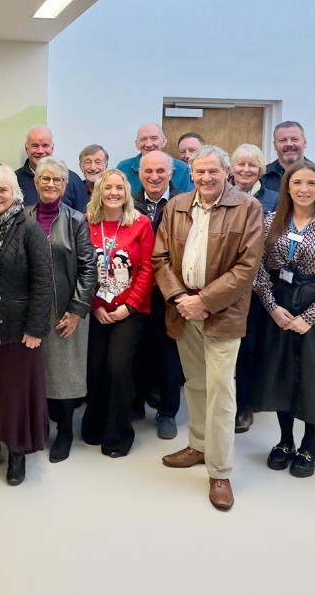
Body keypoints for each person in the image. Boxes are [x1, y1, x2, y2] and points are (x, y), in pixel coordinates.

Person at [153, 145, 264, 511]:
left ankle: (220, 470)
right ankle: (198, 446)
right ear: (190, 172)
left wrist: (205, 301)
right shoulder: (177, 206)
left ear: (226, 171)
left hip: (223, 312)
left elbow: (247, 268)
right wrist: (181, 299)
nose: (206, 178)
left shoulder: (247, 208)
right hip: (184, 309)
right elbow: (161, 257)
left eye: (213, 171)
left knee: (220, 390)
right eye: (199, 172)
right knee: (196, 384)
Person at [252, 161, 315, 478]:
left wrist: (309, 317)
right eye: (297, 183)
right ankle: (285, 442)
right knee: (280, 373)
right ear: (287, 188)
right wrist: (271, 306)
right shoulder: (271, 222)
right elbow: (257, 269)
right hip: (279, 304)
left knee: (313, 377)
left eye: (311, 183)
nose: (304, 189)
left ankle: (309, 446)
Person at [0, 165, 52, 486]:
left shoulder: (28, 227)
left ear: (15, 192)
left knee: (16, 396)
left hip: (19, 331)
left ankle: (16, 453)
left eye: (3, 190)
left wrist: (35, 327)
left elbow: (44, 282)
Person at [25, 157, 96, 463]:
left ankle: (65, 431)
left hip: (66, 309)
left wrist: (78, 310)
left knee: (65, 374)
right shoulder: (23, 216)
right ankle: (40, 426)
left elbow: (88, 268)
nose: (50, 184)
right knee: (36, 371)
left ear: (66, 185)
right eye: (45, 179)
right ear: (36, 183)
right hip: (31, 310)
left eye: (57, 180)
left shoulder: (77, 220)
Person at [81, 168, 155, 458]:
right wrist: (95, 305)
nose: (113, 193)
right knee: (97, 368)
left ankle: (118, 435)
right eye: (107, 187)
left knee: (117, 367)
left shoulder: (140, 223)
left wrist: (129, 306)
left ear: (127, 193)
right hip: (97, 309)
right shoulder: (86, 222)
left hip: (131, 311)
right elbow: (81, 267)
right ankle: (95, 425)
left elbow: (148, 268)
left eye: (119, 188)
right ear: (98, 192)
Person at [132, 150, 184, 440]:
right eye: (148, 171)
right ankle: (135, 404)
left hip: (170, 291)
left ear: (171, 173)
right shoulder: (129, 202)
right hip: (137, 290)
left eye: (160, 171)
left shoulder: (183, 204)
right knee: (136, 350)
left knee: (169, 354)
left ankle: (168, 412)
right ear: (139, 174)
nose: (154, 177)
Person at [228, 143, 279, 433]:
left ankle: (245, 405)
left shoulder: (274, 199)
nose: (246, 170)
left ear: (261, 169)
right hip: (227, 282)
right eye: (240, 164)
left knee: (251, 347)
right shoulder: (222, 194)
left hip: (262, 285)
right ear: (231, 169)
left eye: (252, 165)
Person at [15, 126, 89, 212]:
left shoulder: (72, 180)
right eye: (35, 146)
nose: (40, 151)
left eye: (45, 146)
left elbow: (84, 218)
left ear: (52, 148)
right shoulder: (14, 180)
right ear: (26, 149)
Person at [260, 121, 315, 194]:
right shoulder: (261, 176)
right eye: (283, 140)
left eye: (294, 139)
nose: (289, 144)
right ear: (275, 146)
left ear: (304, 142)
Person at [116, 123, 194, 193]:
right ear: (137, 144)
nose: (149, 144)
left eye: (154, 138)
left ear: (164, 142)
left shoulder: (182, 169)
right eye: (143, 139)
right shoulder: (123, 168)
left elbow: (187, 202)